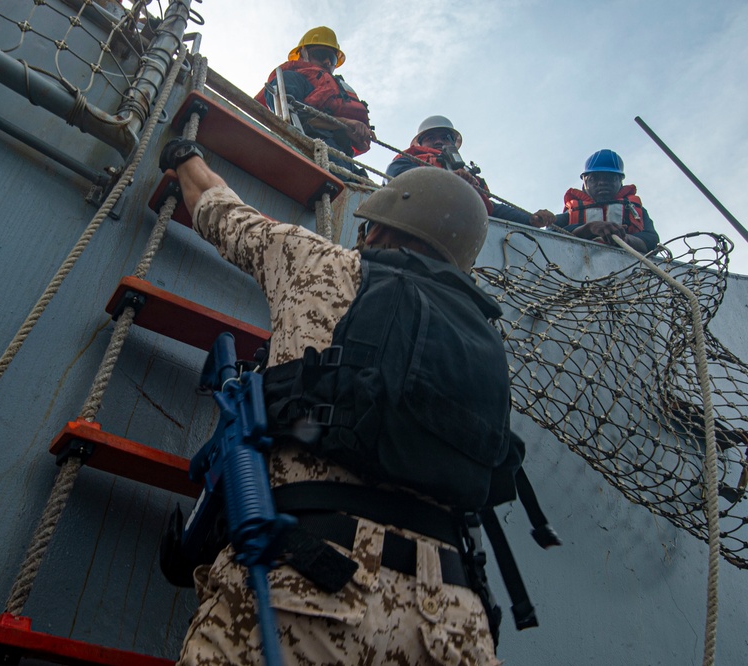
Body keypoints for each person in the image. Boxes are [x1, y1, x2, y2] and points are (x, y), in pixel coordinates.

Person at [159, 137, 510, 665]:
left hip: (310, 584)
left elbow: (217, 207)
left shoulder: (322, 263)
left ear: (383, 226)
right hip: (458, 624)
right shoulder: (485, 344)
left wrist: (183, 154)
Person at [386, 115, 555, 228]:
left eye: (445, 137)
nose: (438, 141)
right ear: (419, 144)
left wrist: (528, 219)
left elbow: (488, 207)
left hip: (460, 234)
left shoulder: (467, 173)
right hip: (418, 223)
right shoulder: (408, 160)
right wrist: (448, 180)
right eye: (431, 138)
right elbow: (396, 181)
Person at [255, 26, 373, 176]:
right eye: (320, 54)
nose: (327, 62)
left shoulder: (334, 92)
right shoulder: (291, 78)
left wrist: (350, 130)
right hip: (314, 158)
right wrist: (345, 123)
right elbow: (291, 120)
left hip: (344, 163)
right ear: (303, 54)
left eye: (332, 59)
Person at [551, 149, 660, 252]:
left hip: (630, 268)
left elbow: (652, 241)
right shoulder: (572, 212)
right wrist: (589, 228)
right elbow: (550, 234)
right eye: (594, 178)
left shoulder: (635, 210)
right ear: (584, 181)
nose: (602, 183)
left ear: (620, 181)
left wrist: (624, 239)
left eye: (610, 178)